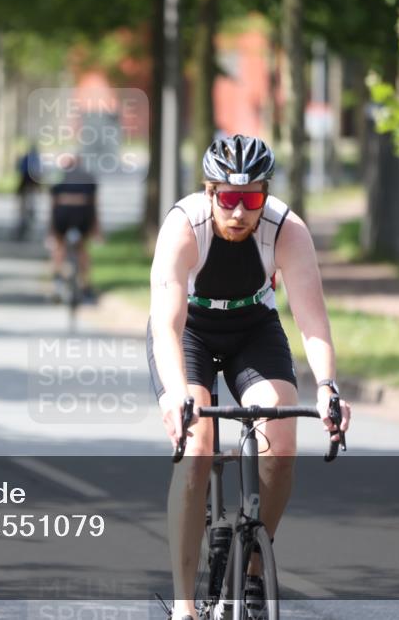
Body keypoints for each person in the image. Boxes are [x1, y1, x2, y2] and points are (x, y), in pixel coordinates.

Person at [147, 135, 351, 620]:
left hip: (252, 328)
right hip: (190, 331)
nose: (239, 212)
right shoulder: (184, 226)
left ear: (265, 195)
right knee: (197, 450)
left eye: (251, 199)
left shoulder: (287, 229)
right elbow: (167, 326)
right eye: (228, 199)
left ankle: (254, 570)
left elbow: (312, 320)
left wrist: (328, 387)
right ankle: (184, 606)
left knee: (280, 445)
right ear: (210, 192)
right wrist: (176, 394)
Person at [48, 153, 100, 302]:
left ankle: (57, 281)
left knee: (59, 247)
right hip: (83, 215)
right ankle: (86, 286)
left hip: (62, 215)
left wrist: (51, 229)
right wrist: (96, 228)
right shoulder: (88, 177)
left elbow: (53, 204)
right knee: (82, 249)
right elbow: (94, 204)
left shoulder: (58, 177)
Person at [13, 144, 40, 241]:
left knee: (24, 199)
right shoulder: (35, 158)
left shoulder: (27, 158)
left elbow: (21, 170)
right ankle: (27, 212)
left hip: (26, 180)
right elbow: (37, 170)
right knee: (28, 198)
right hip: (29, 180)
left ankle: (24, 213)